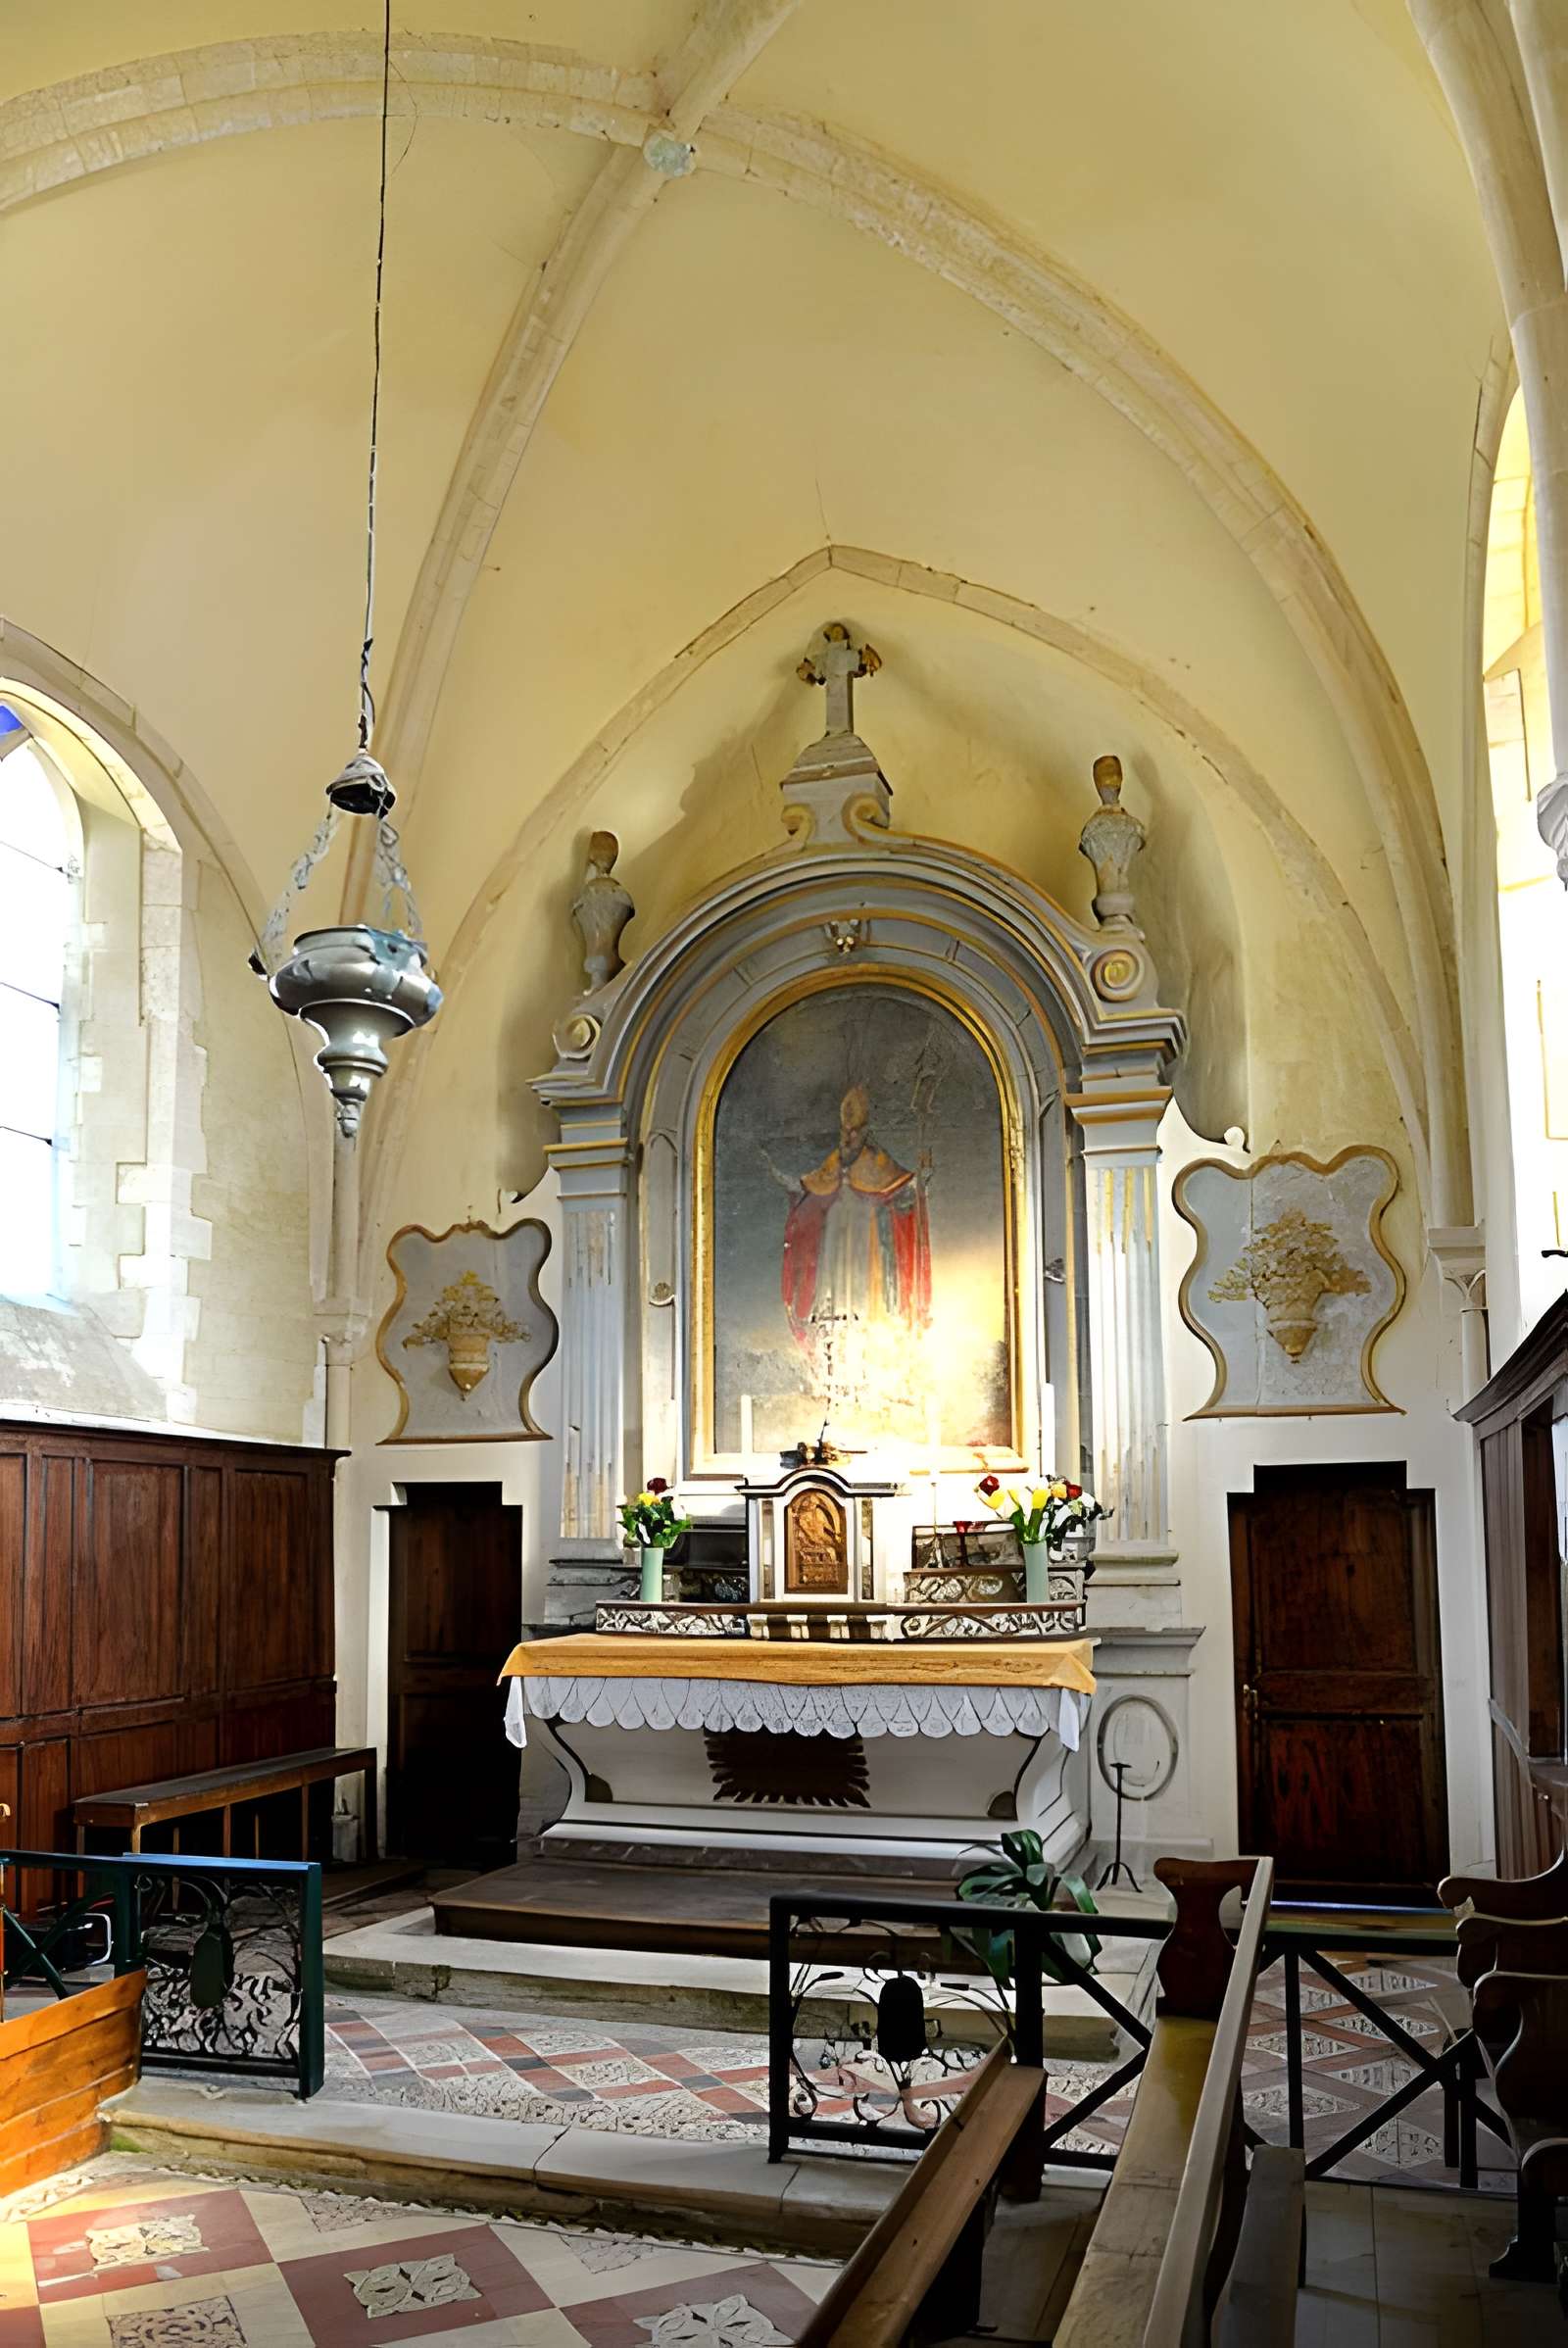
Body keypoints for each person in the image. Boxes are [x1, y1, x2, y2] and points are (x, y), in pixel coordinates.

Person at [764, 1084, 932, 1353]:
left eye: (855, 1132)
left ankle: (866, 1334)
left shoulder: (876, 1161)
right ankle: (831, 1329)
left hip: (866, 1233)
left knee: (865, 1285)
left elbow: (900, 1182)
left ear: (865, 1131)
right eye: (845, 1132)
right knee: (831, 1281)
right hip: (836, 1232)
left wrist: (920, 1180)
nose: (849, 1137)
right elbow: (810, 1184)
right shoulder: (834, 1161)